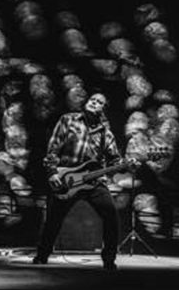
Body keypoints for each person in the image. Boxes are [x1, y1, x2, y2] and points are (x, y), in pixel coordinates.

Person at [33, 92, 120, 269]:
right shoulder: (68, 120)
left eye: (99, 102)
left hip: (93, 182)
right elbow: (53, 148)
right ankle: (42, 255)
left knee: (111, 216)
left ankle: (109, 259)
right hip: (66, 178)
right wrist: (52, 173)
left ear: (104, 110)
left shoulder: (106, 134)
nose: (94, 102)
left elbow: (115, 161)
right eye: (92, 100)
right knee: (53, 220)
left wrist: (128, 164)